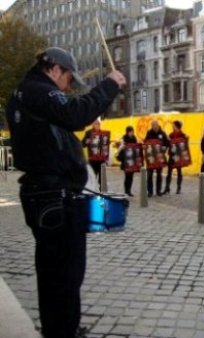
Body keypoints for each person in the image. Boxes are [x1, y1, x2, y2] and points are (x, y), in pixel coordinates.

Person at [5, 47, 126, 338]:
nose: (69, 87)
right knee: (64, 273)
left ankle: (62, 327)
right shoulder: (39, 91)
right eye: (69, 78)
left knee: (56, 272)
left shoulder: (25, 94)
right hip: (54, 196)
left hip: (49, 194)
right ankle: (62, 332)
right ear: (55, 69)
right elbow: (75, 114)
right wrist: (109, 84)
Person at [145, 120, 169, 197]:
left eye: (155, 125)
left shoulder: (162, 133)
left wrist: (165, 148)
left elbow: (167, 143)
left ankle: (158, 191)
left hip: (159, 158)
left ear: (158, 125)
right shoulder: (149, 133)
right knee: (149, 175)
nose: (154, 127)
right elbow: (146, 142)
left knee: (159, 175)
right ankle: (150, 191)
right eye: (153, 126)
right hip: (151, 158)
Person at [164, 120, 188, 194]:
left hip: (179, 156)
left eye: (173, 126)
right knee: (169, 172)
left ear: (177, 126)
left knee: (179, 172)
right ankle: (167, 187)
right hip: (172, 155)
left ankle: (178, 188)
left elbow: (184, 145)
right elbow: (167, 144)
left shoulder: (183, 135)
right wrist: (167, 141)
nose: (172, 127)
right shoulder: (171, 135)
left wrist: (186, 140)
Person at [82, 119, 105, 185]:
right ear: (92, 125)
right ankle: (93, 191)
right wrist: (87, 141)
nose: (97, 125)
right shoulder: (88, 133)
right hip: (93, 158)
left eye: (98, 124)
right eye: (96, 124)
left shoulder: (103, 133)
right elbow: (82, 144)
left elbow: (105, 145)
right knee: (93, 176)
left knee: (102, 178)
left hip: (101, 158)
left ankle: (102, 191)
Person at [117, 126, 138, 197]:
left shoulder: (134, 138)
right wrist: (122, 147)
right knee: (127, 176)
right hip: (125, 160)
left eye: (132, 132)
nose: (132, 133)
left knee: (131, 176)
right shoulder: (124, 138)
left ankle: (129, 190)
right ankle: (126, 190)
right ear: (127, 132)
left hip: (132, 160)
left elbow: (136, 147)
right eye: (130, 132)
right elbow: (119, 148)